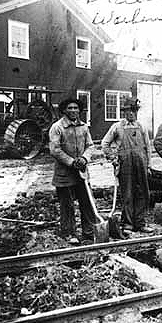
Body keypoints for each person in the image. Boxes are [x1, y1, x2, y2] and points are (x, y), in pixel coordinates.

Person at [101, 97, 153, 233]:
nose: (130, 114)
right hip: (125, 164)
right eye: (127, 111)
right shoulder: (117, 127)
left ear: (136, 112)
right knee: (128, 193)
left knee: (142, 192)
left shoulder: (142, 127)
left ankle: (140, 223)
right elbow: (104, 144)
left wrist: (148, 166)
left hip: (141, 163)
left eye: (133, 111)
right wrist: (113, 158)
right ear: (124, 113)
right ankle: (128, 224)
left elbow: (148, 147)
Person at [49, 98, 95, 244]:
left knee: (87, 202)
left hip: (81, 172)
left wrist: (84, 158)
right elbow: (55, 150)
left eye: (76, 108)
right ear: (64, 110)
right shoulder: (57, 128)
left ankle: (89, 232)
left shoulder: (84, 127)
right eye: (70, 108)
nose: (73, 111)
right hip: (64, 173)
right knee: (67, 204)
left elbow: (90, 146)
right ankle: (69, 233)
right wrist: (70, 161)